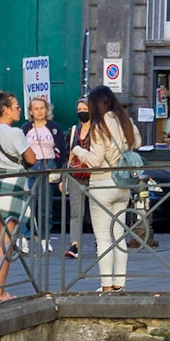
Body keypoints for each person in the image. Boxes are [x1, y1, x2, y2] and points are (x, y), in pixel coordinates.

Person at [78, 85, 139, 292]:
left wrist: (77, 151)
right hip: (123, 184)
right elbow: (137, 142)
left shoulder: (99, 126)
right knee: (119, 235)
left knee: (103, 237)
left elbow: (94, 160)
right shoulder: (126, 121)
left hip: (102, 183)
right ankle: (119, 284)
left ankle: (105, 285)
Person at [0, 88, 36, 300]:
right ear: (6, 110)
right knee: (7, 241)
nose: (20, 110)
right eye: (17, 107)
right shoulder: (16, 133)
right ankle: (0, 291)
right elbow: (31, 159)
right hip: (12, 183)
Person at [24, 94, 66, 251]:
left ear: (47, 110)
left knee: (45, 206)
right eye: (36, 109)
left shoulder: (54, 127)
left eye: (42, 108)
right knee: (28, 204)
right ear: (31, 111)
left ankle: (44, 238)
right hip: (31, 166)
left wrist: (60, 170)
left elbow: (61, 149)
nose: (39, 111)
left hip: (49, 165)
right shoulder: (26, 128)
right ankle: (26, 236)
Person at [64, 95, 92, 257]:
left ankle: (99, 242)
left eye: (85, 109)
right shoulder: (74, 131)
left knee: (96, 210)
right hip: (75, 174)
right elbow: (68, 152)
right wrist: (64, 176)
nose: (82, 112)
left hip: (94, 173)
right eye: (79, 110)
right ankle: (74, 244)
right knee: (76, 211)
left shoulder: (98, 129)